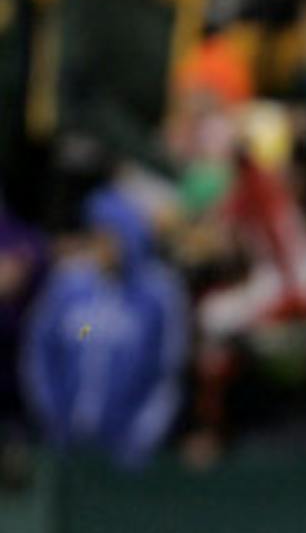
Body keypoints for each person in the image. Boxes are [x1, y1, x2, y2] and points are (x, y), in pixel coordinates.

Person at [20, 188, 188, 468]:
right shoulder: (69, 282)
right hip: (65, 441)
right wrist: (51, 416)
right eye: (96, 235)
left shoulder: (159, 291)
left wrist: (141, 435)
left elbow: (168, 371)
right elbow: (40, 352)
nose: (102, 245)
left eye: (110, 236)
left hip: (129, 449)